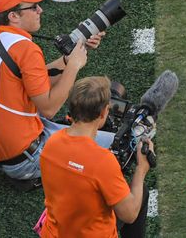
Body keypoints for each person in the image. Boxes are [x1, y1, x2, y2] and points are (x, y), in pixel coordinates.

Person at [0, 0, 113, 181]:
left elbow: (34, 79)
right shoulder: (25, 48)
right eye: (34, 7)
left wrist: (71, 56)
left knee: (93, 133)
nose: (40, 11)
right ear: (13, 16)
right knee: (117, 148)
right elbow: (49, 108)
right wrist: (73, 66)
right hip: (28, 158)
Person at [39, 77, 151, 238]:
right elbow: (129, 214)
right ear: (104, 112)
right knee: (140, 193)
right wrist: (142, 169)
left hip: (55, 232)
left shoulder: (51, 143)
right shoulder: (102, 162)